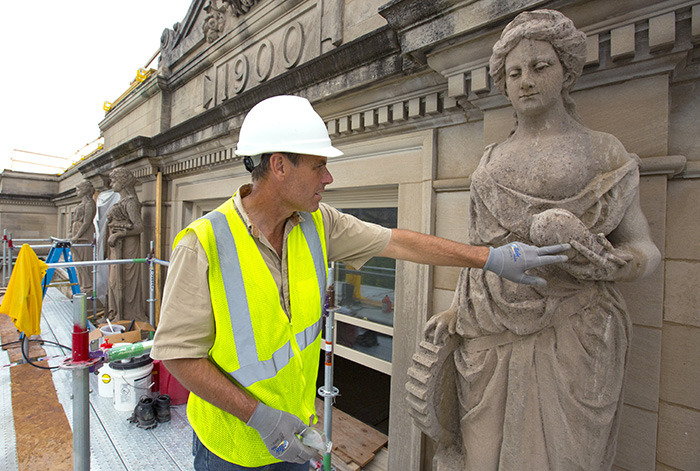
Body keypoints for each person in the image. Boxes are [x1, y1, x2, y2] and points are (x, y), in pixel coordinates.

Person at [150, 95, 569, 470]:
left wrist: (492, 258)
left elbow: (399, 243)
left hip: (295, 436)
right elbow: (178, 356)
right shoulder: (203, 244)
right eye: (318, 166)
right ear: (278, 165)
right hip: (232, 452)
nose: (327, 179)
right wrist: (259, 417)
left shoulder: (318, 224)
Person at [416, 10, 661, 470]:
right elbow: (478, 255)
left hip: (577, 329)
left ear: (566, 72)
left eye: (539, 67)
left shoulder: (602, 151)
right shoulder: (489, 163)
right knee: (481, 456)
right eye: (514, 72)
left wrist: (614, 263)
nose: (526, 80)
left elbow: (645, 247)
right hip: (488, 330)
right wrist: (454, 310)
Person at [105, 167, 145, 322]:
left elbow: (139, 226)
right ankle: (116, 313)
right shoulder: (122, 201)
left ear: (122, 182)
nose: (111, 184)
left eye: (114, 181)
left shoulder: (131, 202)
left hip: (128, 247)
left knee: (125, 281)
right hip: (117, 247)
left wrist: (121, 234)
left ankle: (128, 315)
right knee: (113, 281)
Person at [69, 180, 96, 294]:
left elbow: (87, 222)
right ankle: (81, 283)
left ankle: (87, 285)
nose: (76, 192)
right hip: (77, 233)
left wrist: (77, 236)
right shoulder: (82, 203)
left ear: (85, 190)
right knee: (77, 258)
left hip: (84, 235)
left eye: (78, 189)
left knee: (84, 259)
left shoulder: (89, 203)